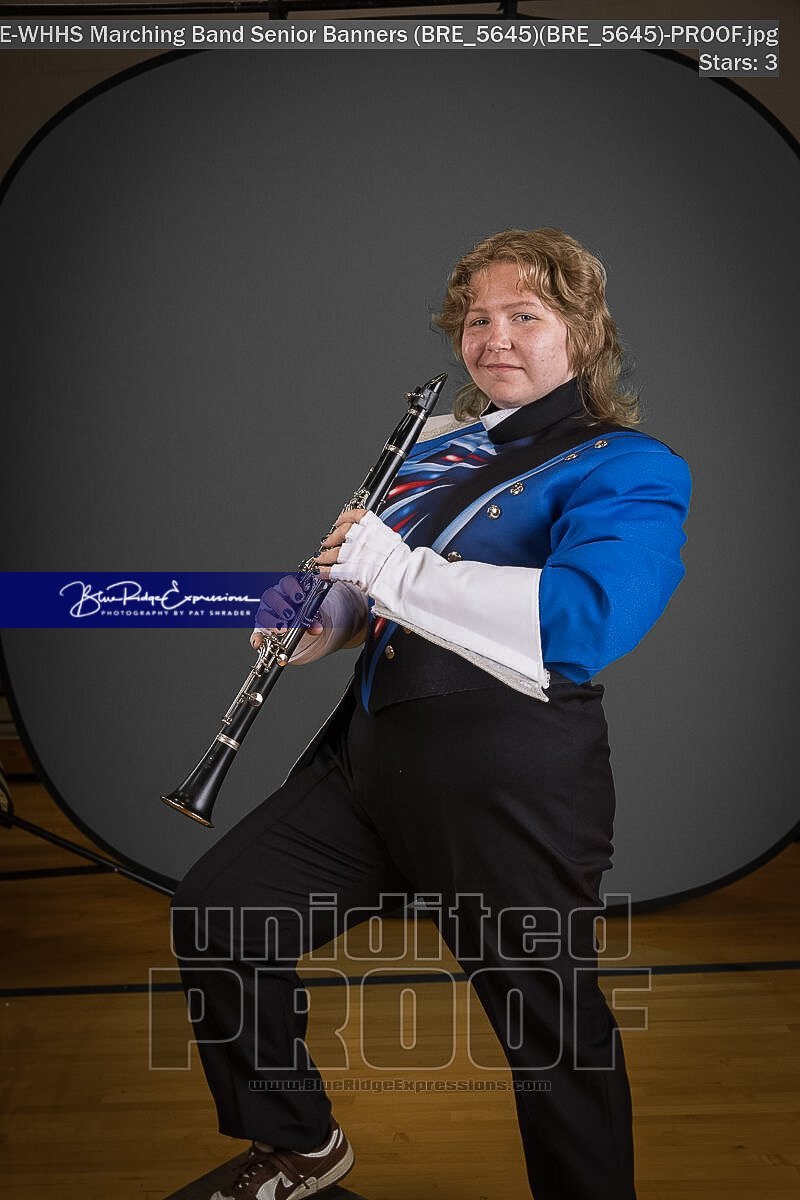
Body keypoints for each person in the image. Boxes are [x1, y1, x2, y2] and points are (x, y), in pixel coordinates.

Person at [171, 227, 692, 1200]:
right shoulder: (439, 448)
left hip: (509, 789)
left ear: (582, 333)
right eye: (476, 318)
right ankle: (300, 1147)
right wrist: (324, 617)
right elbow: (376, 599)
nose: (494, 337)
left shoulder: (626, 465)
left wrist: (391, 568)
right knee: (220, 915)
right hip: (373, 764)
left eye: (525, 315)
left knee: (552, 1042)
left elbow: (586, 618)